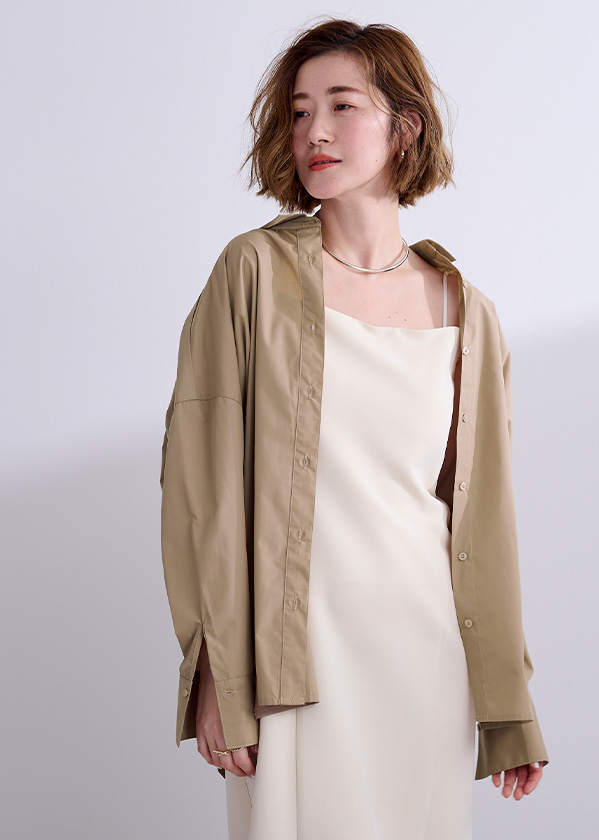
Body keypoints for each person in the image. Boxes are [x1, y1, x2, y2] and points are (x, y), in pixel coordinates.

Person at [160, 17, 548, 840]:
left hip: (425, 654)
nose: (316, 131)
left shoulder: (468, 311)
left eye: (342, 105)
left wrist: (509, 704)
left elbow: (485, 521)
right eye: (300, 111)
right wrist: (214, 669)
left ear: (406, 126)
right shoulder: (253, 272)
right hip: (292, 659)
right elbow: (201, 486)